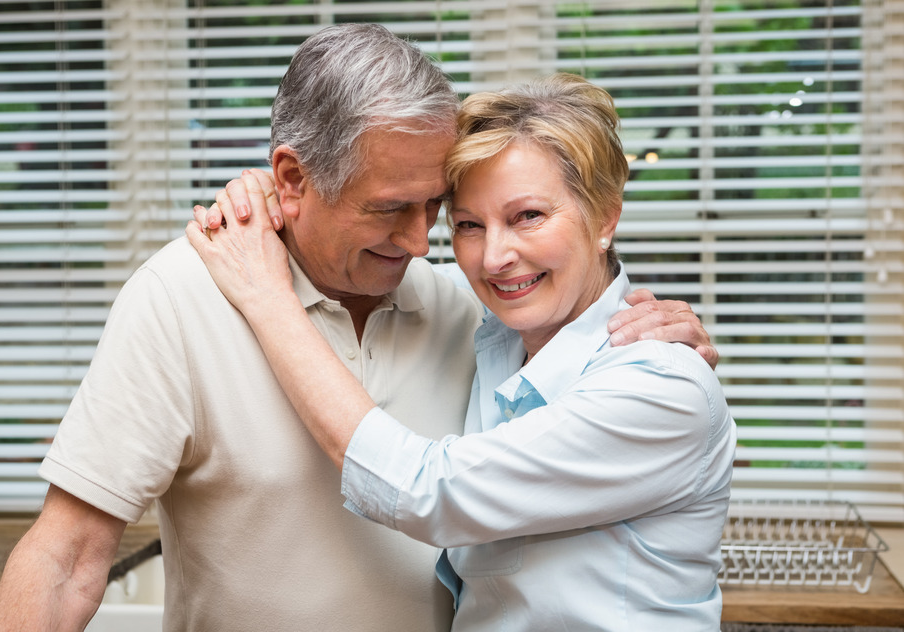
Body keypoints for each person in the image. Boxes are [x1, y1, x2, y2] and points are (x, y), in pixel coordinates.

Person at [0, 25, 714, 632]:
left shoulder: (473, 315)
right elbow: (68, 557)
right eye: (391, 207)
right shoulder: (182, 297)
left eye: (435, 207)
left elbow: (447, 479)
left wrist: (667, 333)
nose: (421, 240)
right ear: (292, 181)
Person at [187, 73, 736, 631]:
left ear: (605, 218)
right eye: (470, 225)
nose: (496, 257)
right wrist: (284, 192)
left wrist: (267, 298)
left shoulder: (659, 385)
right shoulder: (493, 328)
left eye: (529, 216)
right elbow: (349, 246)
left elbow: (430, 491)